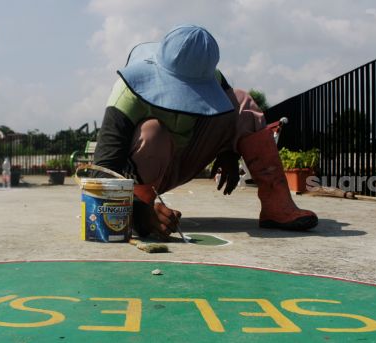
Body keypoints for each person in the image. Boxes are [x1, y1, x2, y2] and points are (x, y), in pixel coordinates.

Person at [94, 24, 318, 240]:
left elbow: (231, 118)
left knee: (241, 101)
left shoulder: (213, 77)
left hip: (185, 159)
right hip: (143, 173)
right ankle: (148, 211)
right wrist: (139, 210)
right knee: (153, 132)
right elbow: (100, 172)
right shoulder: (127, 93)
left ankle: (277, 205)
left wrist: (229, 153)